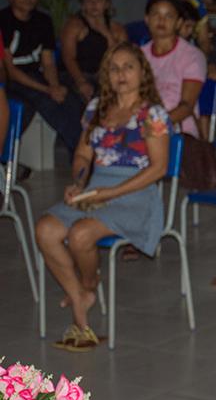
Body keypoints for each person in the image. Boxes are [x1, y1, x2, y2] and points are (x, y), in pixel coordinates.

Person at [35, 42, 171, 351]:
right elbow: (83, 156)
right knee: (46, 228)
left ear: (142, 73)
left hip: (136, 194)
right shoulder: (96, 108)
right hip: (96, 190)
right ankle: (82, 302)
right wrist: (79, 184)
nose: (121, 74)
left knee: (81, 235)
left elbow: (158, 168)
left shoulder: (153, 113)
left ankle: (85, 286)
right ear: (106, 75)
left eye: (128, 67)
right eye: (114, 68)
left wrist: (110, 192)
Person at [1, 0, 84, 156]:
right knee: (44, 101)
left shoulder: (43, 21)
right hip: (12, 80)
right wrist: (47, 90)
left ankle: (81, 157)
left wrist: (54, 86)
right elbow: (10, 70)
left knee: (70, 100)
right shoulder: (3, 20)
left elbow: (48, 62)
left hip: (36, 76)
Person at [141, 0, 206, 137]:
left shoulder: (192, 56)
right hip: (142, 123)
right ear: (147, 19)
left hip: (177, 128)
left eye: (169, 16)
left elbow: (186, 106)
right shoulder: (138, 55)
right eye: (155, 14)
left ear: (178, 23)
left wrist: (153, 127)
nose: (161, 20)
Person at [60, 0, 127, 101]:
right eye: (89, 0)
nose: (94, 4)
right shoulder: (74, 26)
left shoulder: (117, 29)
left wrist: (106, 33)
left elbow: (121, 58)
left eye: (99, 0)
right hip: (78, 75)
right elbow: (68, 58)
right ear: (83, 5)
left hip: (105, 77)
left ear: (106, 4)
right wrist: (81, 82)